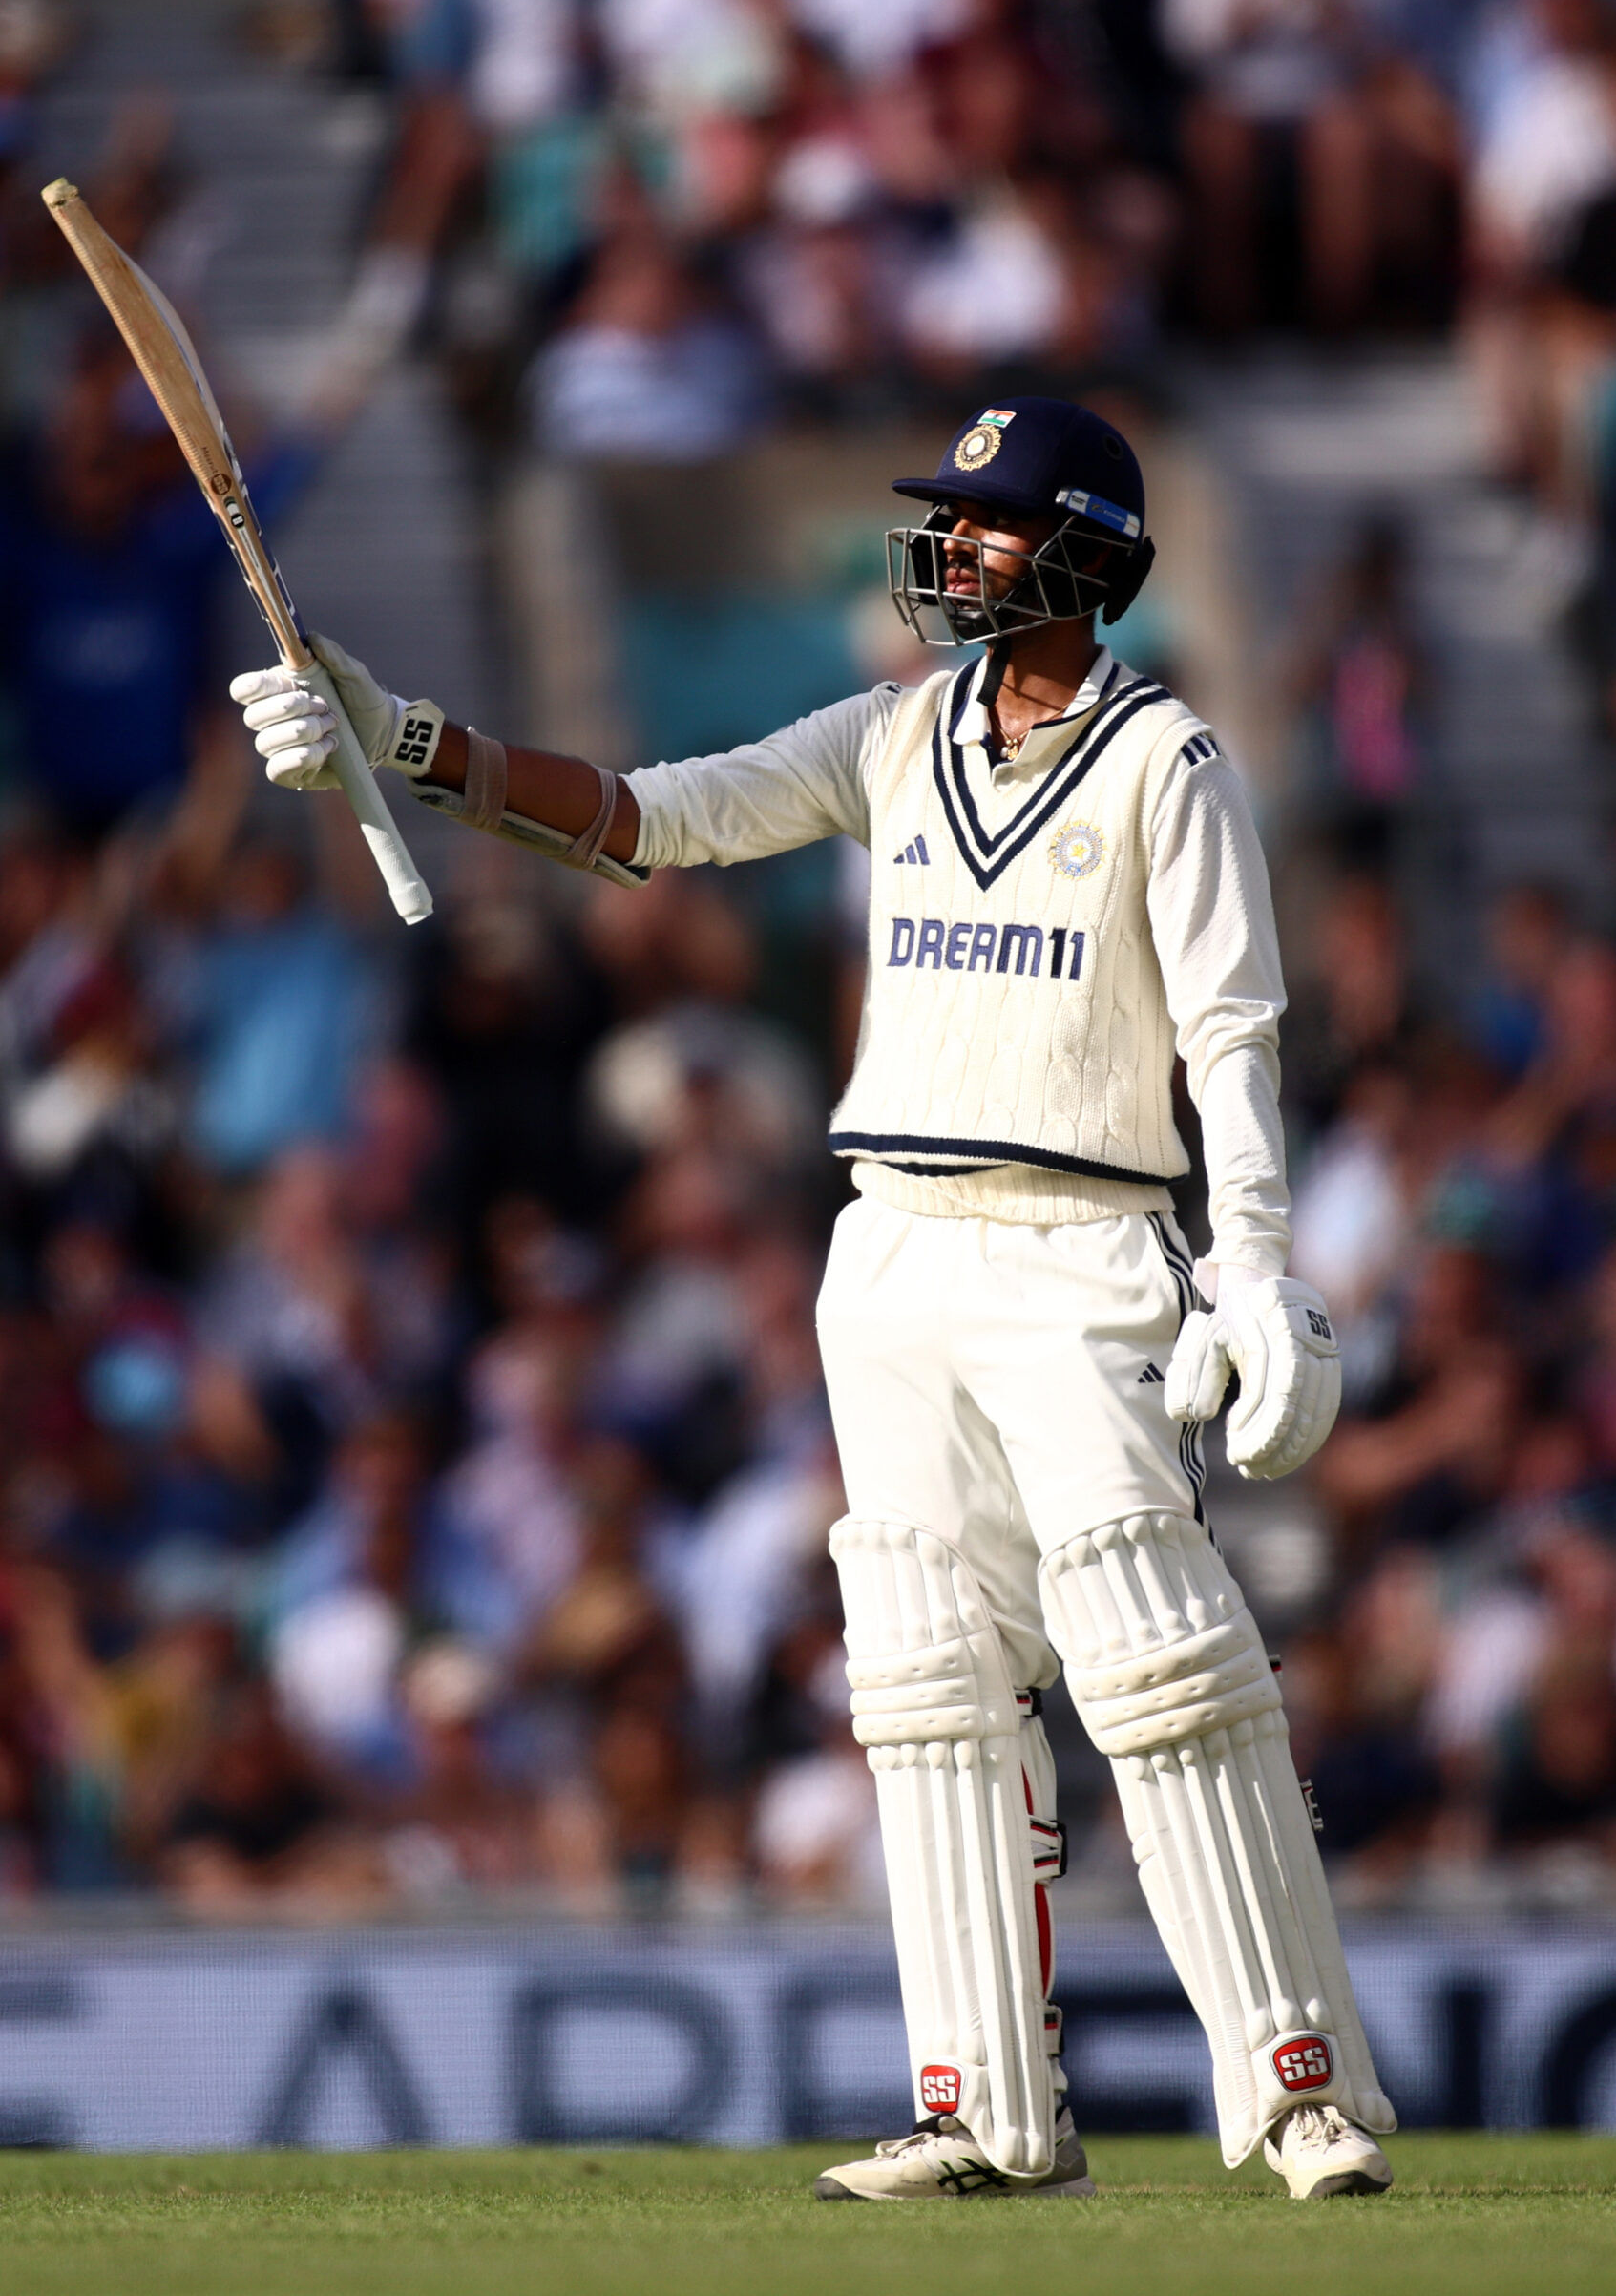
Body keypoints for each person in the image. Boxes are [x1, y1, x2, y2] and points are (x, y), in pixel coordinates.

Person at [226, 395, 1396, 2201]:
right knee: (928, 1684)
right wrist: (399, 736)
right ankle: (989, 2113)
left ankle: (1299, 2088)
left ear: (1085, 551)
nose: (952, 551)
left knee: (1158, 1658)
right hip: (894, 1248)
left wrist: (1254, 1268)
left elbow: (1235, 1040)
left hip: (1084, 1251)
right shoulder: (893, 734)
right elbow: (644, 822)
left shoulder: (1171, 766)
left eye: (990, 526)